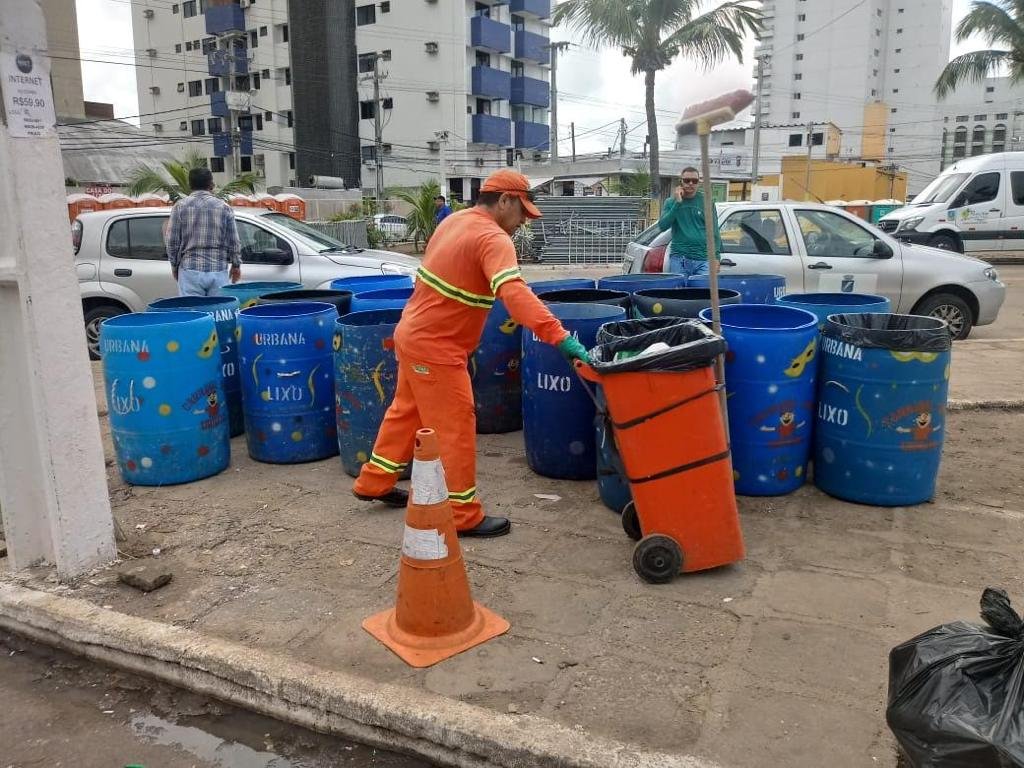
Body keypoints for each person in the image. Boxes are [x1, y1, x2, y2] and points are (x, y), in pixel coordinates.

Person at [353, 169, 589, 538]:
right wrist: (560, 337)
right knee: (456, 427)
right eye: (522, 212)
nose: (524, 221)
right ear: (506, 200)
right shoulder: (493, 238)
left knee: (405, 412)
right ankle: (462, 514)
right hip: (436, 348)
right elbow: (514, 295)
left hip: (411, 334)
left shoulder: (455, 222)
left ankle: (374, 483)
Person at [166, 167, 242, 296]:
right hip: (218, 270)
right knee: (218, 313)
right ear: (211, 184)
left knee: (194, 314)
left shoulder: (179, 207)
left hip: (190, 270)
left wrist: (174, 265)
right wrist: (236, 265)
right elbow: (234, 241)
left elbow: (172, 242)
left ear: (190, 185)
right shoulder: (224, 208)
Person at [657, 166, 722, 278]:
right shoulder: (670, 202)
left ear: (699, 183)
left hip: (703, 259)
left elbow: (714, 232)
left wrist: (716, 258)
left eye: (695, 181)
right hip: (679, 259)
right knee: (680, 294)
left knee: (703, 294)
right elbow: (662, 226)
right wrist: (677, 203)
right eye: (687, 180)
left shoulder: (707, 202)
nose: (691, 183)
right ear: (681, 181)